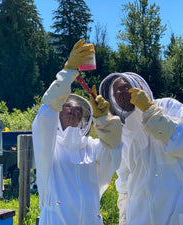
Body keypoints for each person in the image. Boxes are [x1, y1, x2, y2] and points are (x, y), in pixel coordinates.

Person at [32, 39, 122, 225]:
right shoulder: (50, 146)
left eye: (77, 109)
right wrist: (68, 72)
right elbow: (46, 113)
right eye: (67, 107)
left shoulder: (92, 146)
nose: (73, 110)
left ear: (84, 119)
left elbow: (113, 151)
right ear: (58, 114)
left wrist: (104, 120)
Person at [99, 72, 183, 225]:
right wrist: (124, 218)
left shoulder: (170, 106)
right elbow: (124, 180)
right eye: (115, 92)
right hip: (140, 216)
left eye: (125, 87)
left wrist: (150, 110)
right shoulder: (125, 131)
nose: (119, 93)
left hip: (178, 211)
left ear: (138, 87)